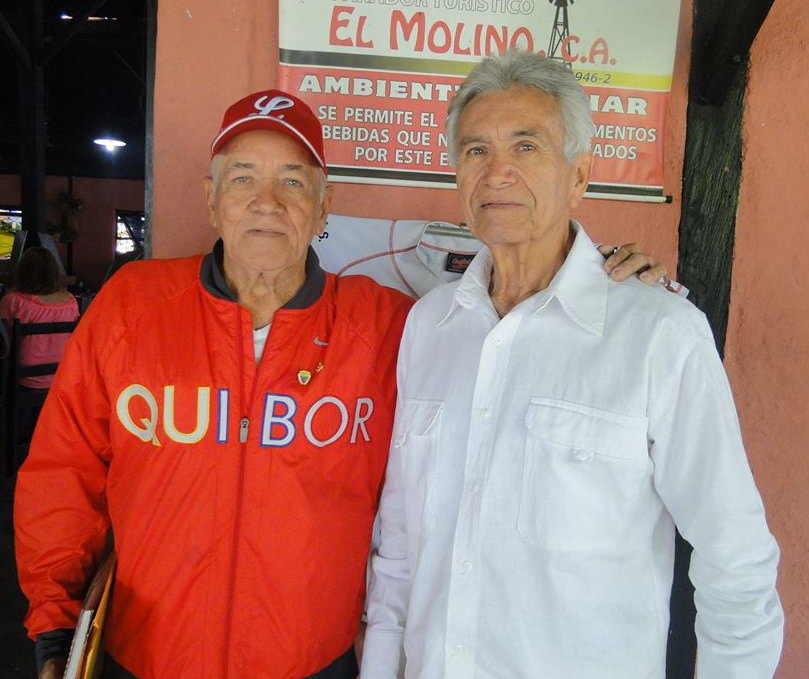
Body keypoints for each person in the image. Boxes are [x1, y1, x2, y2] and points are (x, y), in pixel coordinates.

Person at [15, 88, 665, 679]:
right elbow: (63, 470)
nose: (266, 201)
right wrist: (53, 627)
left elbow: (504, 352)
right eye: (242, 177)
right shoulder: (134, 305)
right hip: (145, 660)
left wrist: (594, 290)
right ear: (211, 197)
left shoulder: (386, 326)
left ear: (323, 204)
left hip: (313, 663)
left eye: (293, 181)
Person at [361, 52, 784, 679]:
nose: (496, 172)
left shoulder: (659, 333)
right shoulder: (430, 327)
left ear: (579, 176)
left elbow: (737, 563)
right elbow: (398, 549)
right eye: (475, 151)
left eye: (526, 146)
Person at [0, 246, 79, 389]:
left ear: (23, 272)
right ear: (54, 273)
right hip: (62, 376)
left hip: (23, 379)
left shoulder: (13, 301)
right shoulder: (71, 301)